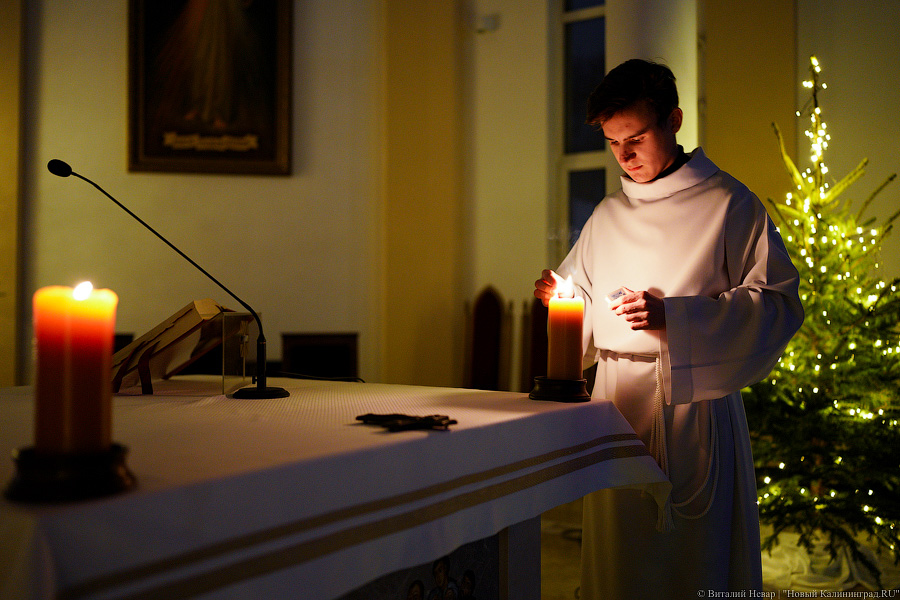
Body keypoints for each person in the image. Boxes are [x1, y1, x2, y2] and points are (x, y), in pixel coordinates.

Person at [534, 59, 804, 598]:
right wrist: (563, 297)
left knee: (691, 558)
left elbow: (777, 303)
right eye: (613, 143)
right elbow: (581, 300)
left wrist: (676, 319)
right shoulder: (608, 215)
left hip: (691, 410)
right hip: (615, 405)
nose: (625, 156)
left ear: (674, 120)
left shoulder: (729, 203)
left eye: (635, 138)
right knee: (621, 560)